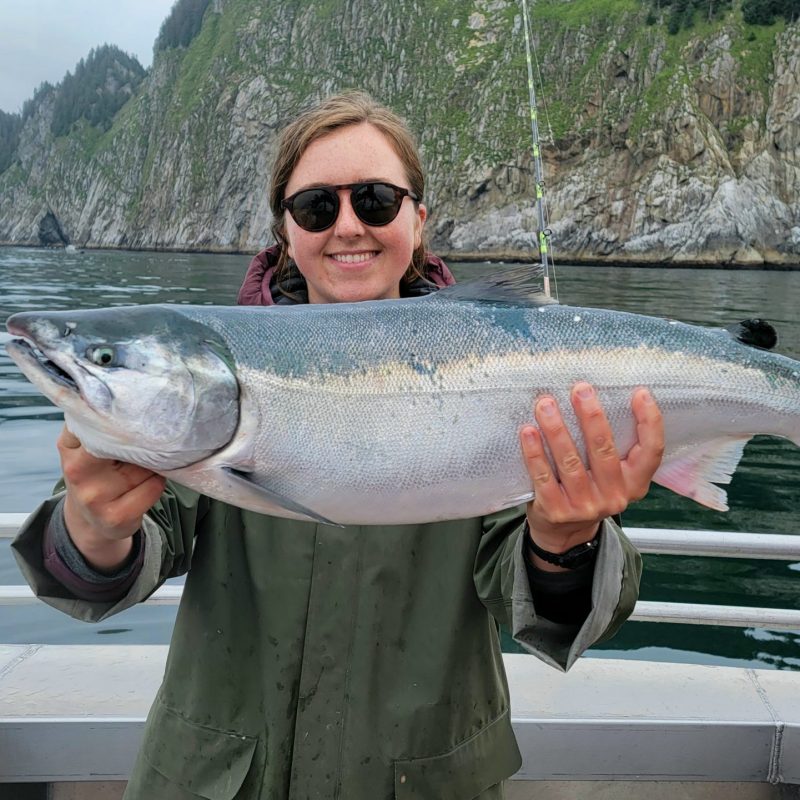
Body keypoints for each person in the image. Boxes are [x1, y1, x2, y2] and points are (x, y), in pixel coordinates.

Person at [13, 90, 664, 799]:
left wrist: (564, 542)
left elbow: (546, 606)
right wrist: (94, 523)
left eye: (377, 201)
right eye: (317, 207)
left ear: (419, 220)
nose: (348, 226)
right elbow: (94, 566)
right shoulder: (196, 380)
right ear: (286, 230)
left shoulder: (509, 379)